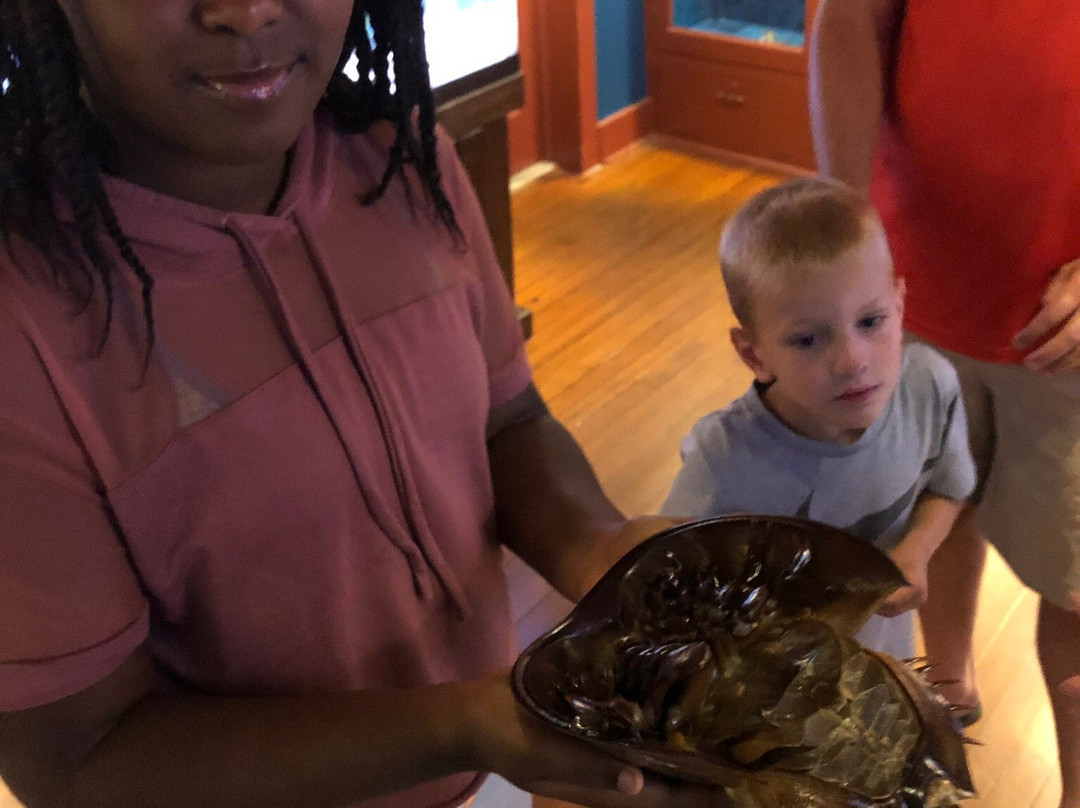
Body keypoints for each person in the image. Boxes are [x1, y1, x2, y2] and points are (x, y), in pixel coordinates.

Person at [0, 2, 727, 808]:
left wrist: (602, 552)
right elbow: (75, 761)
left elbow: (506, 421)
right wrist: (460, 725)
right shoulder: (24, 324)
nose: (245, 12)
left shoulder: (403, 159)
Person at [810, 4, 1080, 806]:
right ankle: (951, 686)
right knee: (932, 511)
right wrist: (841, 235)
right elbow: (854, 19)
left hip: (1066, 327)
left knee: (1076, 585)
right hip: (910, 278)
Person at [661, 178, 976, 662]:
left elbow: (949, 485)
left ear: (899, 305)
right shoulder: (721, 460)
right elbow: (662, 582)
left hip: (884, 663)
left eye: (871, 322)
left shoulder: (929, 387)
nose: (852, 361)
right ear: (754, 353)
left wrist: (916, 549)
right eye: (808, 340)